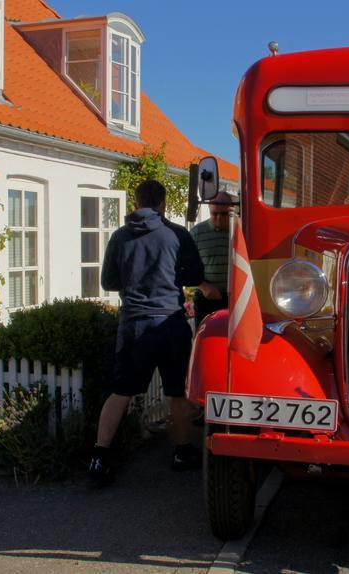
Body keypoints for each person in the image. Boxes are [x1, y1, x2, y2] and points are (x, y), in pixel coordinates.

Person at [88, 179, 205, 486]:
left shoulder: (120, 237)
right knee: (177, 392)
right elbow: (196, 275)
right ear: (163, 204)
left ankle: (99, 457)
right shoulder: (177, 235)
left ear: (136, 203)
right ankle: (181, 452)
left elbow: (109, 283)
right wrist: (172, 274)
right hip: (169, 322)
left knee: (121, 390)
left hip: (134, 324)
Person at [189, 192, 234, 330]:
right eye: (215, 214)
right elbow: (186, 268)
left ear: (232, 210)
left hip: (234, 299)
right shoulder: (196, 233)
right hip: (206, 299)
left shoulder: (240, 231)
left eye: (224, 214)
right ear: (209, 210)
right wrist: (204, 287)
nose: (219, 218)